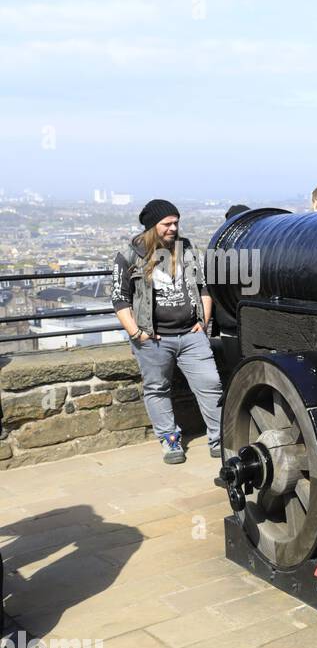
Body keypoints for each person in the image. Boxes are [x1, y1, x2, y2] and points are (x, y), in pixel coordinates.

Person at [111, 199, 224, 465]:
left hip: (191, 334)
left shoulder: (186, 249)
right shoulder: (130, 255)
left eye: (176, 222)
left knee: (210, 384)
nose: (174, 228)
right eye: (167, 223)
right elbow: (120, 298)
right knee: (157, 388)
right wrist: (137, 333)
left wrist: (203, 322)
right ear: (152, 226)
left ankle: (219, 437)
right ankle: (169, 439)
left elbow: (203, 286)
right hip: (153, 338)